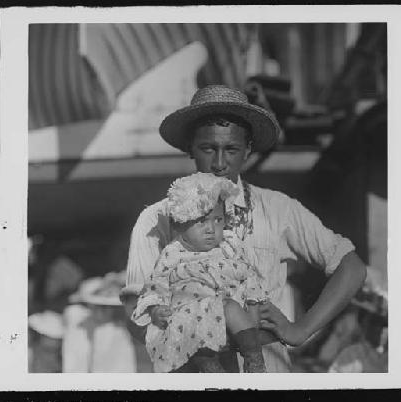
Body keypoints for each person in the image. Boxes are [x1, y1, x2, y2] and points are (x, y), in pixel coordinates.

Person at [121, 84, 367, 372]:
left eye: (232, 149)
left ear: (248, 150)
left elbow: (351, 267)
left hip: (266, 371)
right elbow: (134, 310)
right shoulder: (156, 219)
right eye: (208, 148)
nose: (220, 163)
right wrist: (186, 329)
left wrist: (300, 330)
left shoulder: (276, 209)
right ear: (190, 148)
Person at [132, 172, 269, 373]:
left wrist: (253, 306)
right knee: (191, 338)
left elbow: (248, 275)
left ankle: (254, 356)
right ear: (180, 224)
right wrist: (155, 310)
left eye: (217, 220)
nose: (210, 229)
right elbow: (155, 286)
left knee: (230, 308)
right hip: (190, 320)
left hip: (227, 316)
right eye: (201, 221)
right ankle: (208, 367)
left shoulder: (229, 246)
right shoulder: (172, 253)